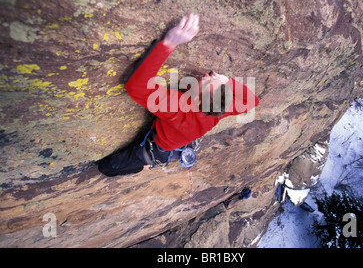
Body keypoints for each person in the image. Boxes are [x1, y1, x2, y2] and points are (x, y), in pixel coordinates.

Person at [98, 13, 259, 177]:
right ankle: (147, 164)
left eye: (205, 81)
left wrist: (168, 43)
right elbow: (252, 101)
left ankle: (143, 166)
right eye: (213, 76)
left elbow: (137, 88)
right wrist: (228, 81)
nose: (206, 74)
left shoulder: (180, 107)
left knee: (107, 168)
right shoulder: (219, 108)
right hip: (175, 142)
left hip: (156, 147)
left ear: (196, 99)